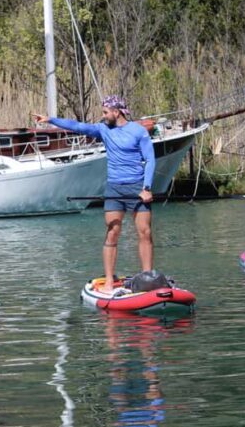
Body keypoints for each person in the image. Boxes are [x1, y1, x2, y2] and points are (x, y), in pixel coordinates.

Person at [33, 95, 156, 293]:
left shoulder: (138, 131)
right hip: (114, 187)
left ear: (117, 112)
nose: (103, 115)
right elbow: (77, 126)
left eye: (106, 112)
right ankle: (108, 280)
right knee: (112, 232)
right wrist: (50, 120)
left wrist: (147, 188)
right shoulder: (103, 129)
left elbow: (150, 160)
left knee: (145, 232)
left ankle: (148, 277)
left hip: (137, 187)